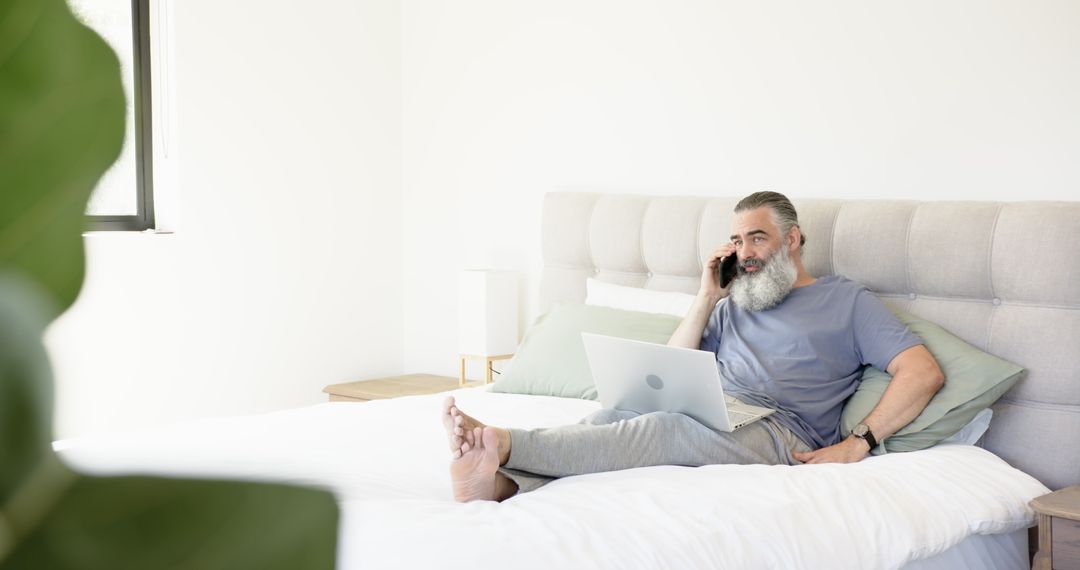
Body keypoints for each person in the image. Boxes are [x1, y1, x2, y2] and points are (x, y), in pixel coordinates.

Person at [441, 191, 945, 502]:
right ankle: (501, 484)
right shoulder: (734, 301)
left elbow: (922, 373)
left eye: (757, 239)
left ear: (792, 240)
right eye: (736, 240)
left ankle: (508, 443)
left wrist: (858, 443)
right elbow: (675, 365)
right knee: (609, 419)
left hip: (779, 432)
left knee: (665, 429)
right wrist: (707, 296)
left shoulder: (846, 301)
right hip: (714, 409)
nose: (743, 253)